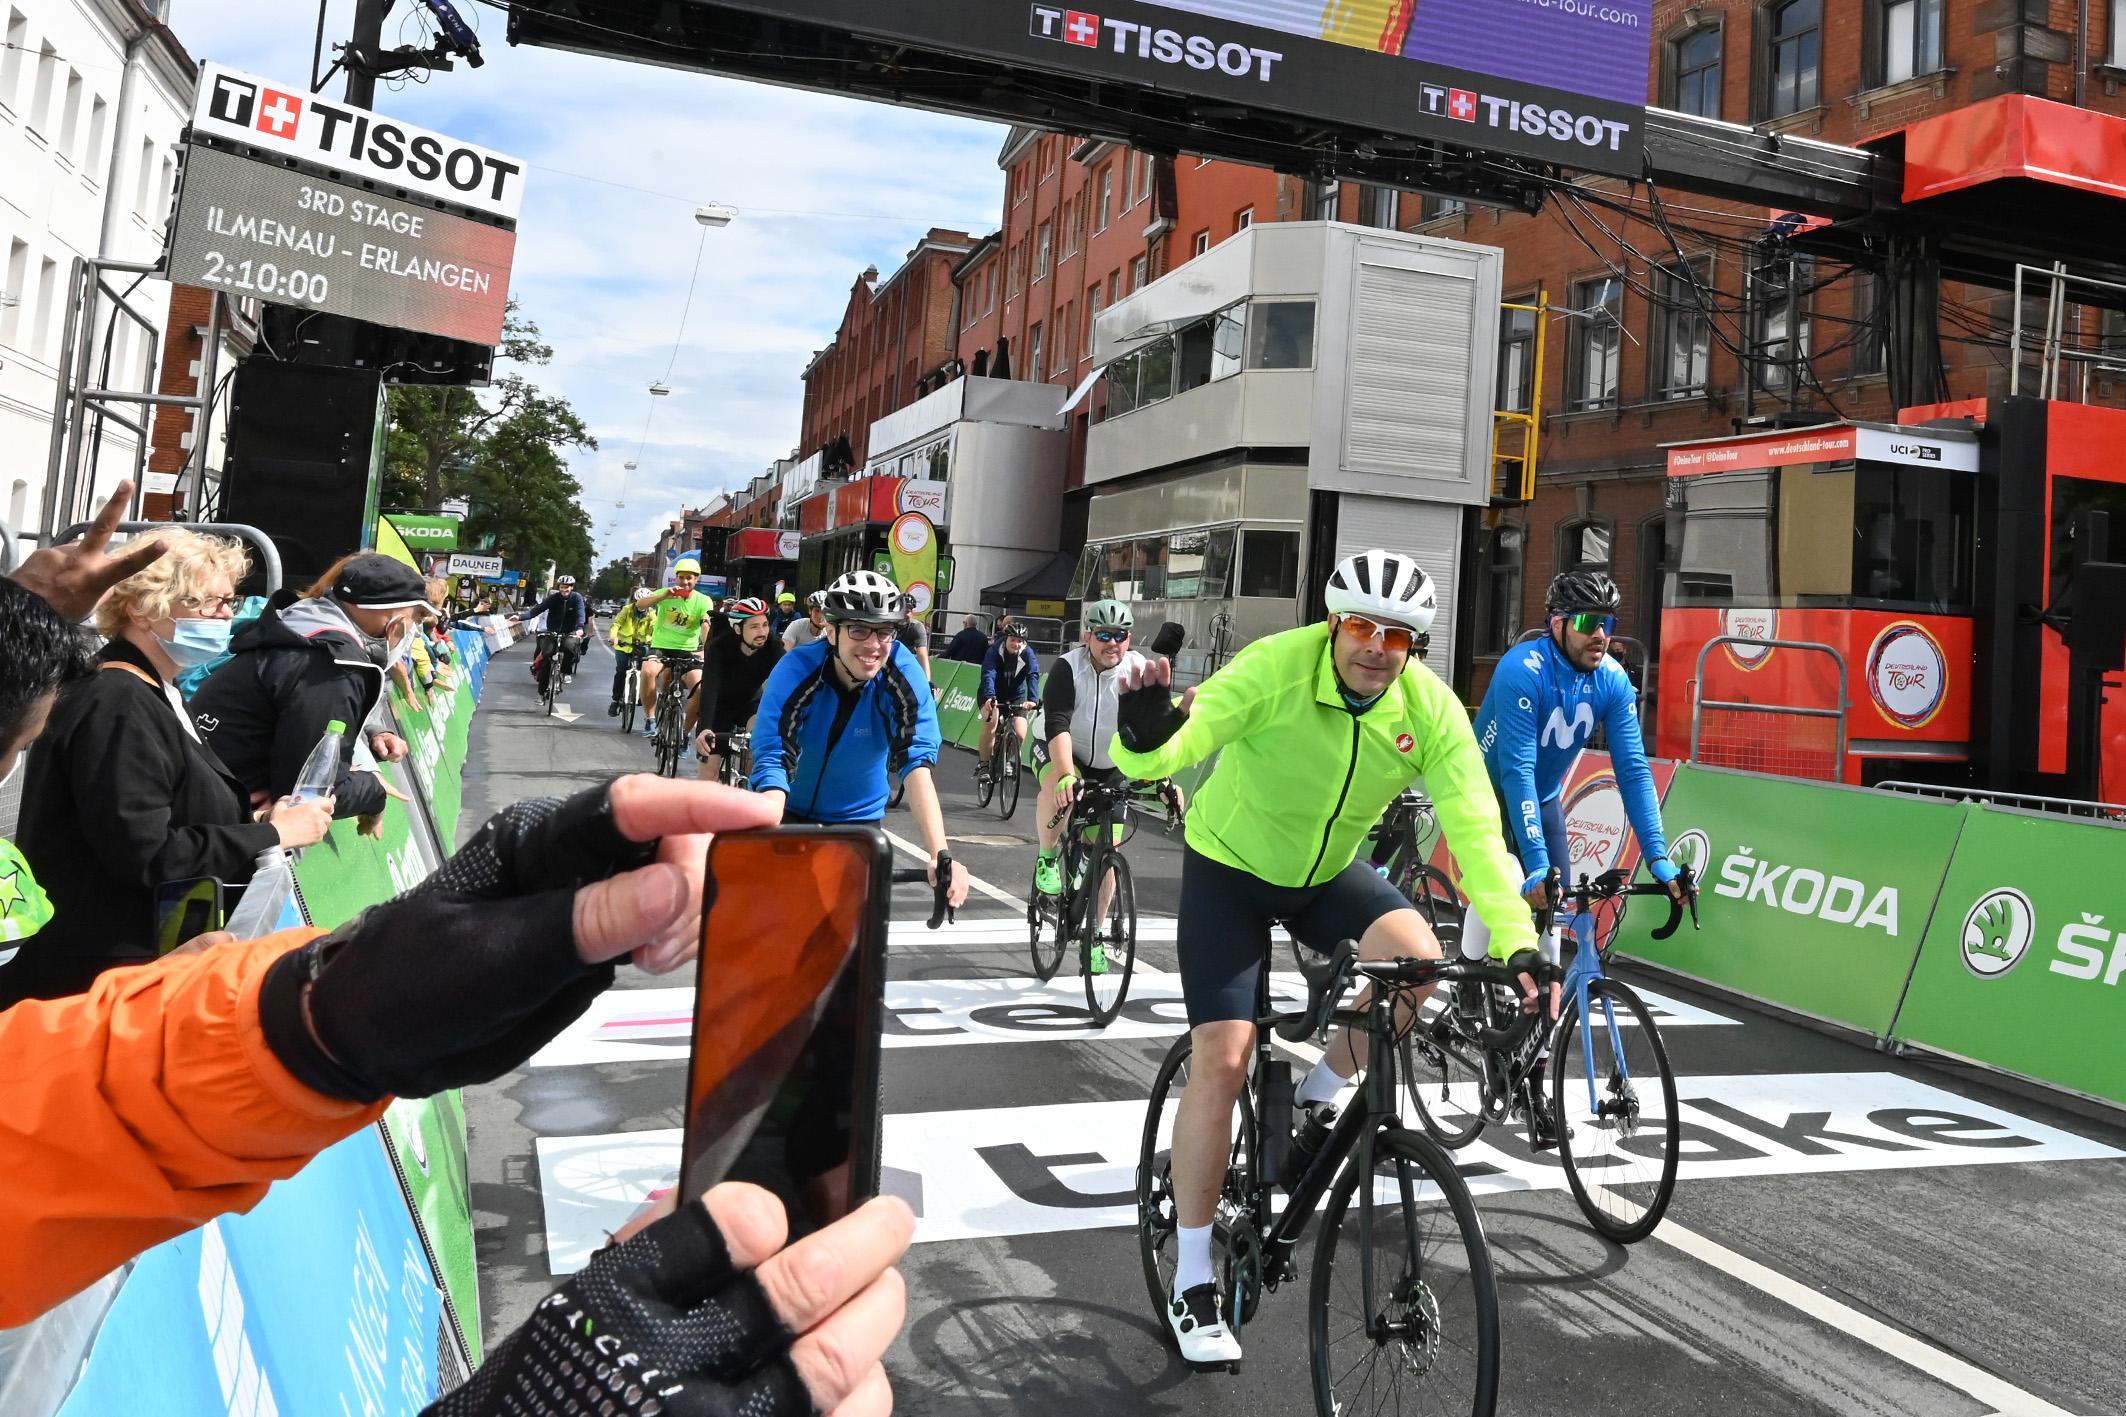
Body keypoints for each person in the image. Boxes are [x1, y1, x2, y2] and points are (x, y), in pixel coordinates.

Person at [1107, 549, 1541, 1365]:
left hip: (1324, 873)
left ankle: (1314, 1093)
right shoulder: (1275, 666)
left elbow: (1478, 830)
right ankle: (1194, 1275)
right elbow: (1181, 737)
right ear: (1337, 623)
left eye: (1399, 637)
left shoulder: (1430, 710)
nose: (1377, 648)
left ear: (1415, 647)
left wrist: (1516, 938)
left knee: (1419, 962)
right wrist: (1142, 742)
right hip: (1231, 869)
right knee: (1227, 1056)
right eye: (1363, 628)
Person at [3, 532, 335, 1009]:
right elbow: (145, 854)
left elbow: (169, 814)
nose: (225, 615)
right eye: (207, 603)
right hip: (94, 976)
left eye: (229, 600)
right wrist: (273, 834)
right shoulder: (117, 699)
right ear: (142, 609)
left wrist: (256, 824)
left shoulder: (155, 687)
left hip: (125, 961)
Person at [1458, 569, 1695, 1105]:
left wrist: (1658, 858)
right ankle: (1468, 974)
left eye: (1608, 623)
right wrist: (1537, 864)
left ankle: (1534, 1069)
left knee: (1553, 930)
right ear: (1559, 624)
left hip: (1540, 797)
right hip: (1485, 789)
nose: (1601, 634)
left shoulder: (1611, 679)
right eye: (1589, 622)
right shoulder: (1524, 668)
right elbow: (1515, 767)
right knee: (1513, 876)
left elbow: (1633, 770)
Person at [751, 570, 969, 907]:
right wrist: (767, 828)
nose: (873, 644)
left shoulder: (903, 671)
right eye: (858, 629)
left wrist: (941, 854)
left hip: (858, 821)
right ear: (831, 630)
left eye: (884, 632)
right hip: (789, 811)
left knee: (856, 938)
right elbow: (774, 756)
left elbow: (917, 762)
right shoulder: (796, 669)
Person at [188, 553, 422, 832]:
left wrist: (372, 733)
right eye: (415, 617)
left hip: (200, 795)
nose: (413, 631)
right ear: (391, 616)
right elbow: (306, 794)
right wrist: (372, 793)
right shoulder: (334, 666)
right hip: (215, 823)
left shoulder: (296, 627)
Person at [1031, 600, 1143, 903]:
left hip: (1109, 764)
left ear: (1129, 640)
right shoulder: (1068, 667)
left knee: (1108, 851)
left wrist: (1164, 779)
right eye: (1104, 635)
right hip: (1060, 749)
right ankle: (1048, 858)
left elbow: (1152, 732)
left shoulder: (1138, 671)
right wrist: (1068, 774)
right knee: (1060, 785)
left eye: (1120, 635)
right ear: (1087, 636)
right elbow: (1057, 724)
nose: (1113, 643)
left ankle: (1095, 940)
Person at [692, 596, 782, 783]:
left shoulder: (772, 645)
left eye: (765, 625)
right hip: (719, 709)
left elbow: (790, 679)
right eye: (754, 627)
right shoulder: (719, 647)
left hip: (750, 705)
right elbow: (709, 687)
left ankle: (747, 790)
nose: (762, 632)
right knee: (708, 776)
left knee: (758, 752)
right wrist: (706, 728)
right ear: (738, 629)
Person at [635, 559, 714, 740]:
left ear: (696, 580)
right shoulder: (666, 594)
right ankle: (650, 718)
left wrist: (706, 649)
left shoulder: (704, 600)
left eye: (689, 578)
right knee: (647, 672)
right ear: (676, 578)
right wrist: (662, 596)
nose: (685, 582)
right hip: (662, 647)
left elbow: (705, 625)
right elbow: (640, 605)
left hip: (689, 651)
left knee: (702, 689)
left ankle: (684, 734)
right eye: (681, 578)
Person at [976, 620, 1041, 783]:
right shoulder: (994, 651)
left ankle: (1005, 759)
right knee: (992, 721)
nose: (1016, 644)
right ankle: (983, 764)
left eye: (1020, 641)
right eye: (1013, 640)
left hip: (1015, 695)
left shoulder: (1028, 654)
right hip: (992, 693)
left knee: (1020, 732)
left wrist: (1033, 699)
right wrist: (990, 696)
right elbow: (988, 674)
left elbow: (1033, 675)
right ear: (1006, 639)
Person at [510, 573, 592, 695]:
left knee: (570, 648)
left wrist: (580, 627)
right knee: (546, 657)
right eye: (562, 587)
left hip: (569, 631)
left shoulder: (577, 598)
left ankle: (566, 672)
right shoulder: (553, 598)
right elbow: (536, 610)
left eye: (567, 587)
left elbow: (581, 613)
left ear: (572, 587)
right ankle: (541, 694)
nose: (564, 590)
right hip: (552, 631)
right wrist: (520, 617)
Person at [605, 589, 657, 717]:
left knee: (644, 672)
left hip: (642, 646)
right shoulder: (627, 610)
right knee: (621, 671)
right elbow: (616, 624)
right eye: (640, 601)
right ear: (635, 601)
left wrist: (655, 641)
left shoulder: (652, 613)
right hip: (624, 645)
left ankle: (640, 695)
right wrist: (613, 637)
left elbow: (656, 629)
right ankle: (615, 700)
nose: (643, 604)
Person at [894, 593, 931, 674]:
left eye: (907, 611)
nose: (903, 615)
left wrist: (927, 681)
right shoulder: (888, 623)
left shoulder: (916, 627)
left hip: (905, 663)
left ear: (912, 613)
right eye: (901, 611)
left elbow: (922, 656)